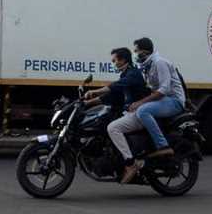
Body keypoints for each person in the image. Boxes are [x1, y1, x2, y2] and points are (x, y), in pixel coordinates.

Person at [119, 37, 187, 182]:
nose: (135, 54)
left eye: (137, 51)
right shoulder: (146, 66)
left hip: (174, 101)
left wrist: (140, 103)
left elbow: (163, 89)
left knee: (143, 110)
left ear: (145, 51)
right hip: (162, 100)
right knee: (132, 111)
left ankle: (163, 146)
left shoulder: (159, 62)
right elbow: (151, 90)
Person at [80, 47, 151, 183]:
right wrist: (88, 102)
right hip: (129, 112)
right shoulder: (125, 74)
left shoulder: (133, 74)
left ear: (123, 59)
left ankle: (130, 164)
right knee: (104, 123)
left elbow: (115, 86)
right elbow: (112, 96)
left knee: (113, 128)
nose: (114, 63)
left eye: (115, 60)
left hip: (138, 113)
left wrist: (95, 91)